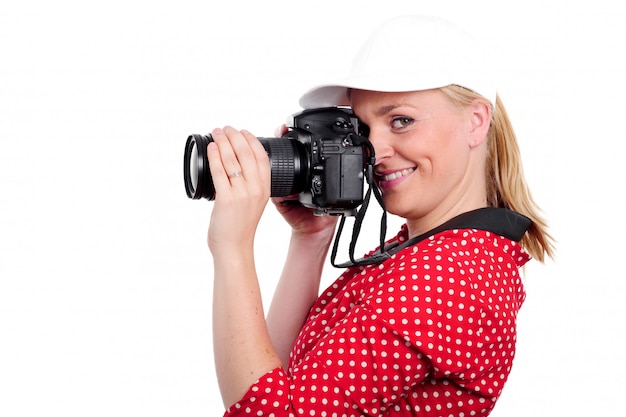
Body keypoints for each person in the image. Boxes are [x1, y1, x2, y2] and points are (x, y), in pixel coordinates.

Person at [204, 15, 555, 417]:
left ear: (475, 122)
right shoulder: (427, 252)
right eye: (363, 129)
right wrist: (311, 239)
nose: (375, 151)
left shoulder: (447, 276)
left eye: (401, 121)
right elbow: (280, 379)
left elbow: (265, 412)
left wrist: (232, 249)